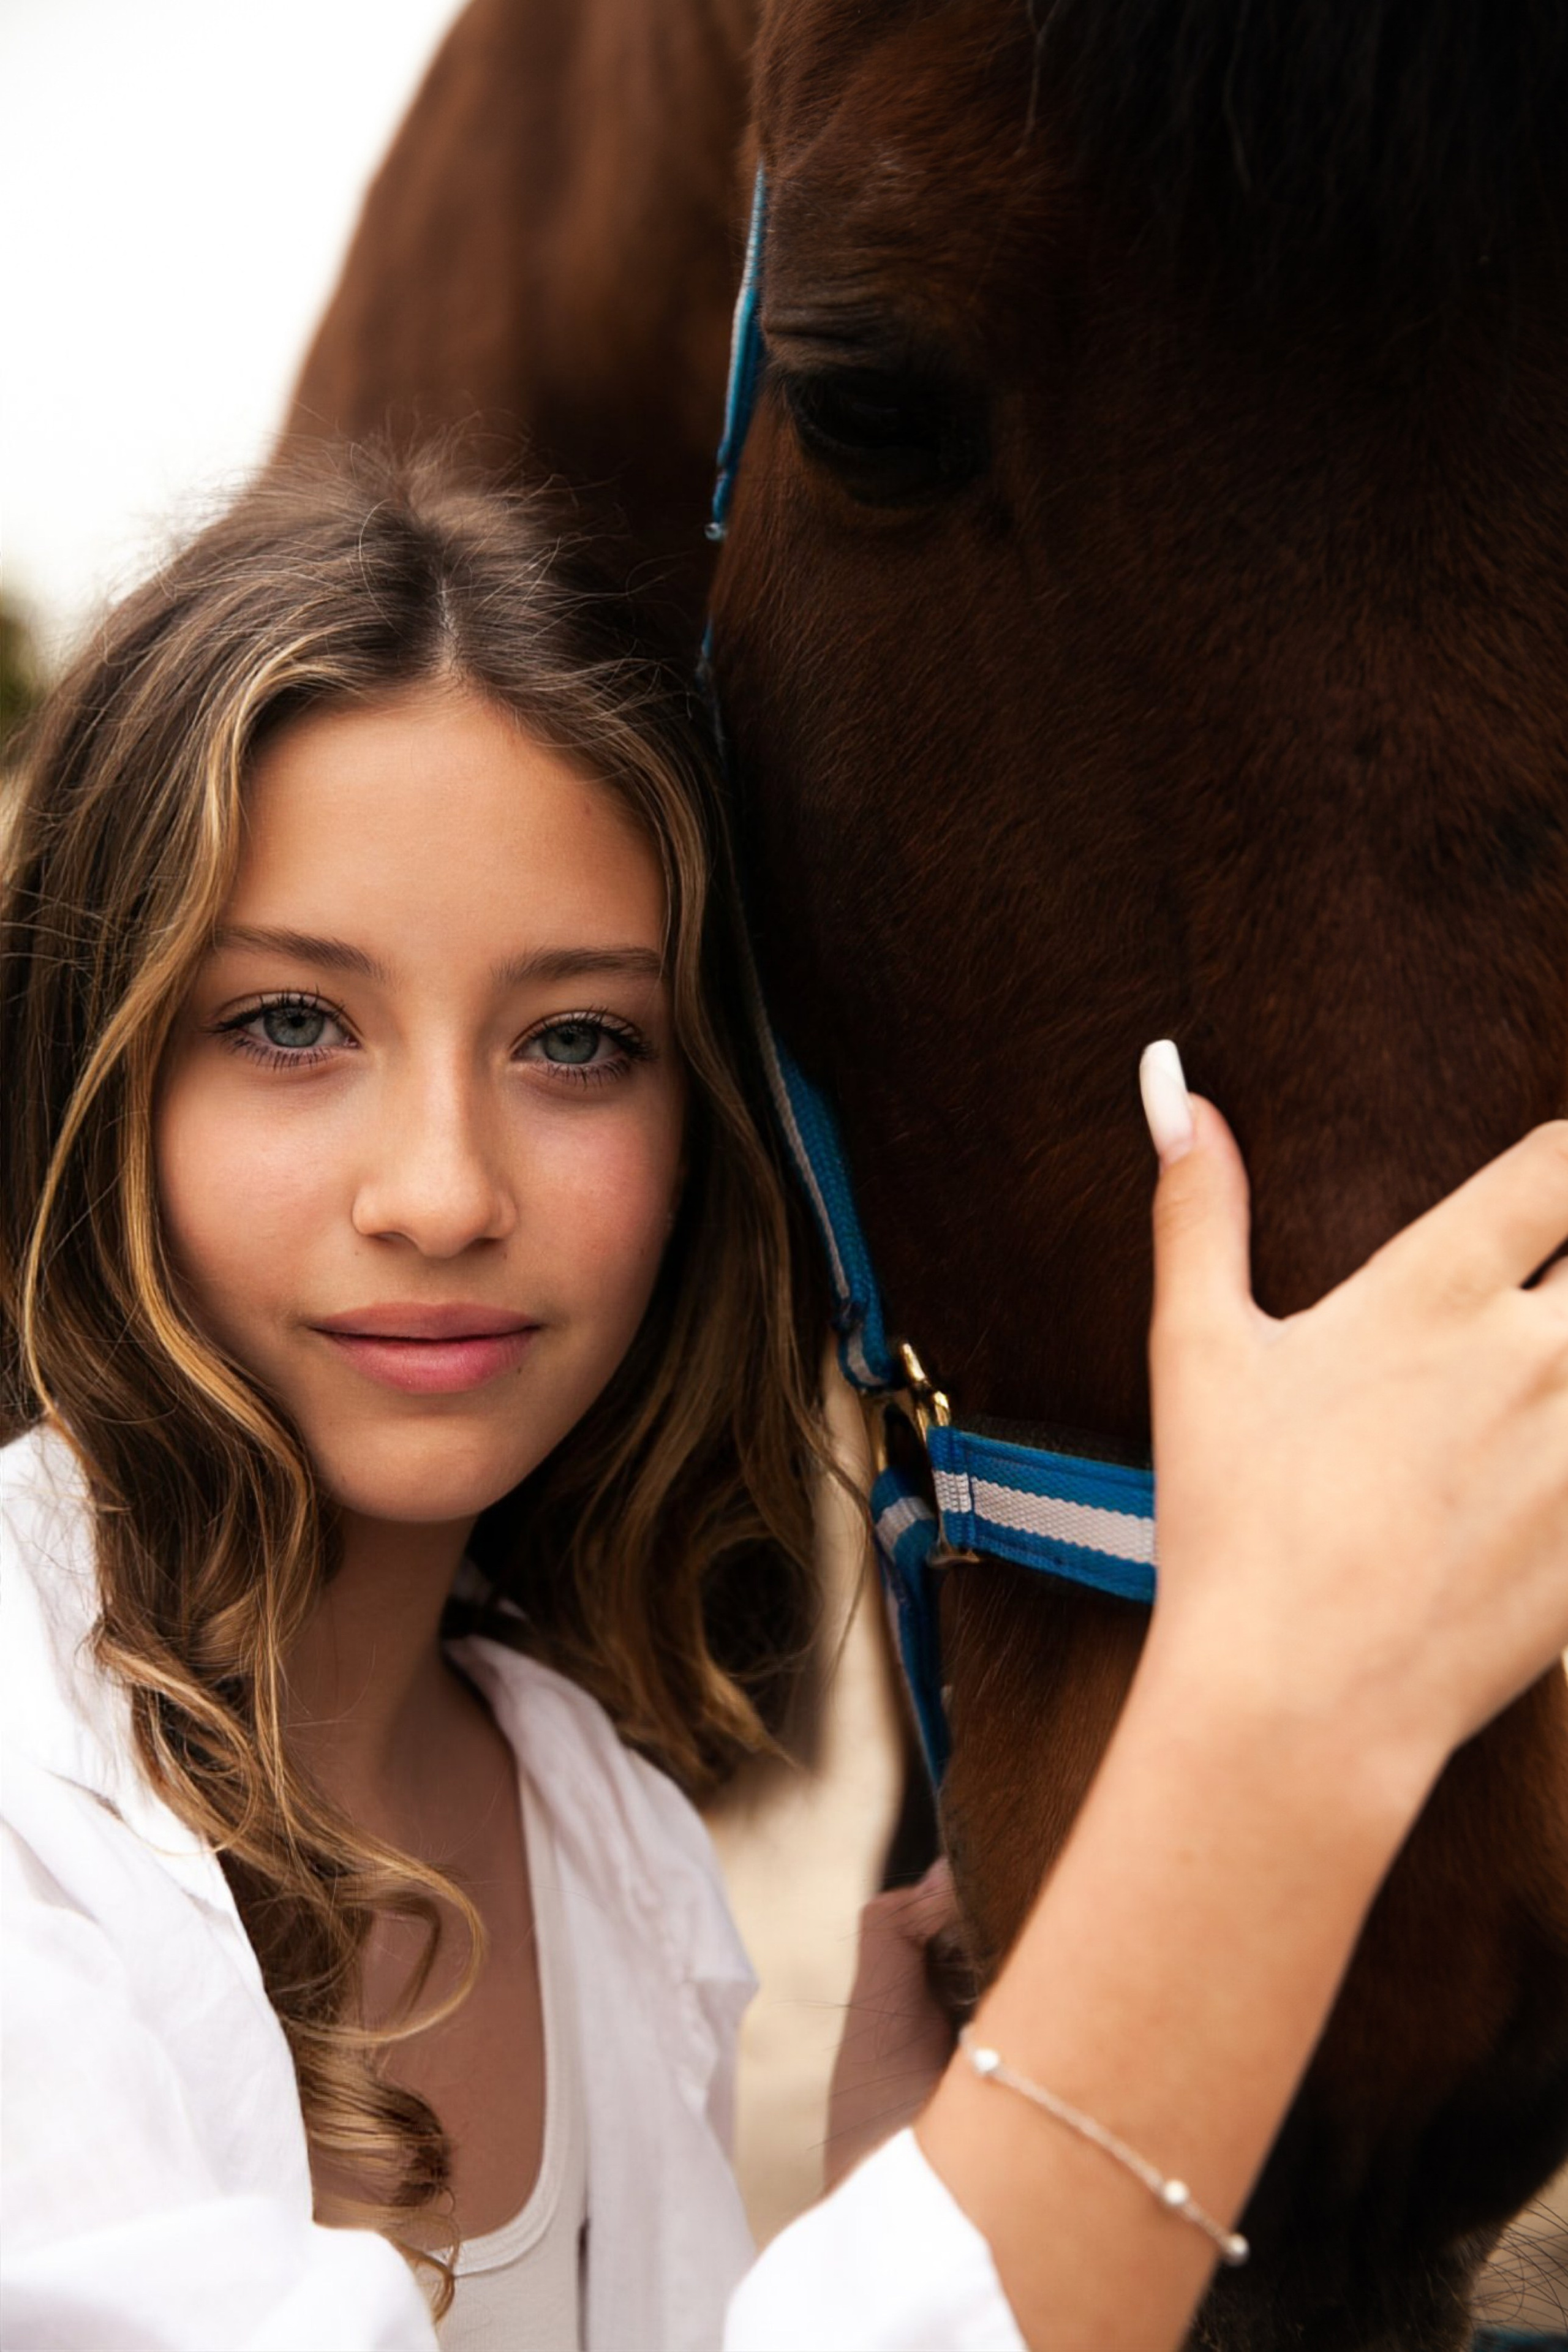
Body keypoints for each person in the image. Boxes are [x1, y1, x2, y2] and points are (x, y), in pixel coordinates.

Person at [2, 453, 1565, 2352]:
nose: (440, 1190)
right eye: (290, 1025)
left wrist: (873, 2222)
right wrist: (1289, 1728)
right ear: (101, 1074)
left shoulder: (607, 1839)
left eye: (577, 1042)